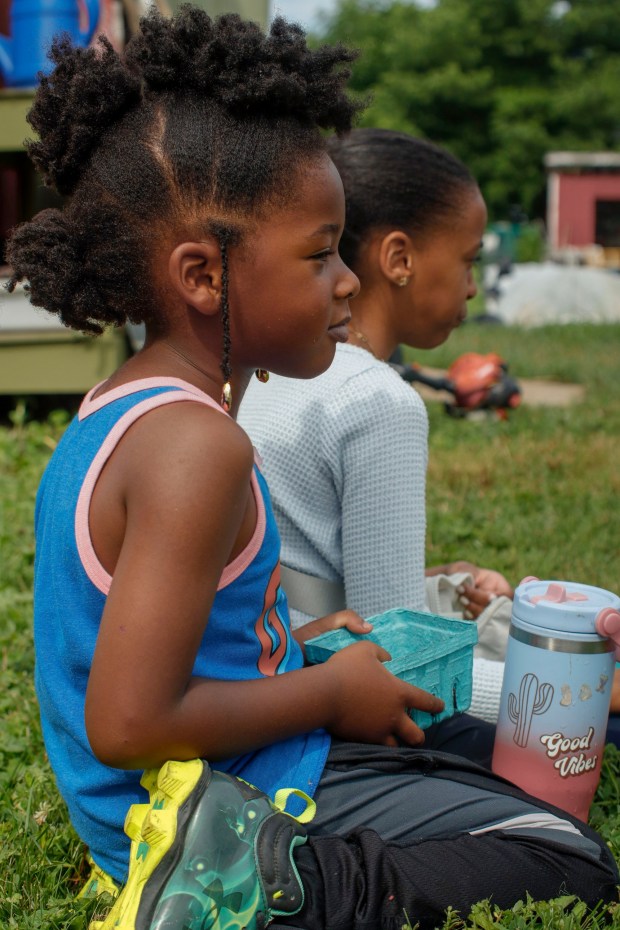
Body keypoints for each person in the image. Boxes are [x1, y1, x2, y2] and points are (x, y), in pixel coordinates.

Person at [8, 12, 617, 930]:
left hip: (211, 768)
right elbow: (128, 722)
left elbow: (179, 636)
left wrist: (300, 643)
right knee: (565, 852)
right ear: (204, 277)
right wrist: (328, 690)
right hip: (195, 805)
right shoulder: (196, 447)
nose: (345, 280)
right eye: (318, 252)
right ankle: (271, 888)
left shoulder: (126, 410)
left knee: (489, 750)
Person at [239, 129, 512, 722]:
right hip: (321, 689)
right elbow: (395, 656)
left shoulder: (271, 368)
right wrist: (584, 691)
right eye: (468, 260)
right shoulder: (378, 401)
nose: (471, 285)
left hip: (274, 655)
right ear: (399, 259)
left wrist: (439, 579)